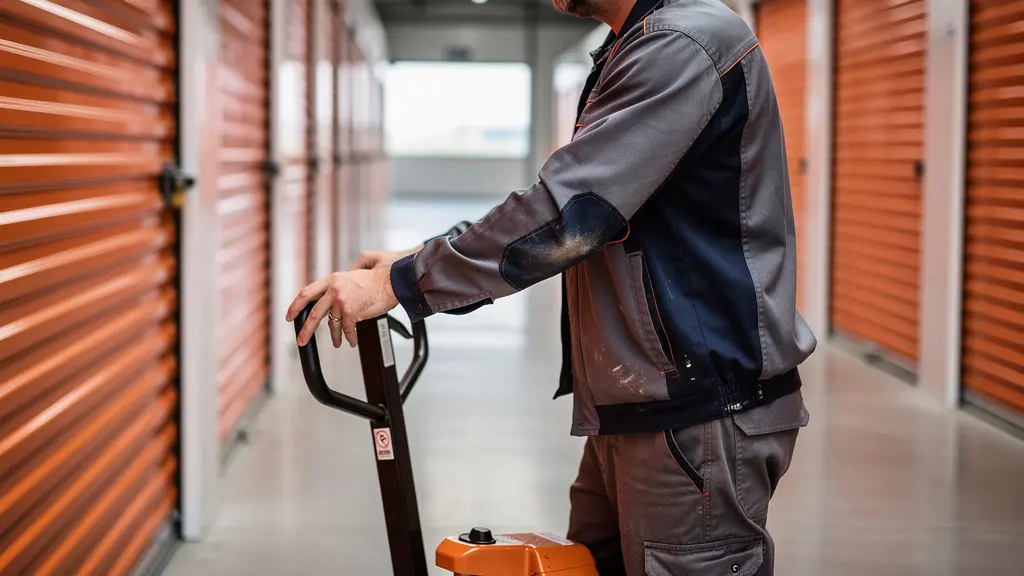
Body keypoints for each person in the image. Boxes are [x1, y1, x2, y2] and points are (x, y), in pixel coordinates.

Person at [287, 0, 815, 573]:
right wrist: (422, 257)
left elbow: (571, 215)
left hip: (695, 416)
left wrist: (404, 283)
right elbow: (579, 202)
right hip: (643, 405)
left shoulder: (681, 44)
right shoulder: (637, 43)